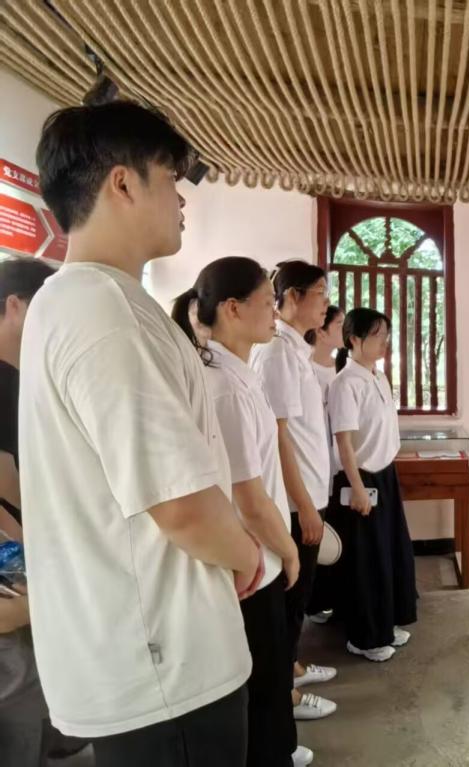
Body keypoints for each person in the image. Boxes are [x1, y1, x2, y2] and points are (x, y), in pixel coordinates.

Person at [22, 101, 261, 765]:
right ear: (123, 183)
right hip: (165, 662)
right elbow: (179, 503)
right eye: (171, 178)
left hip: (144, 652)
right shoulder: (102, 309)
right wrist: (246, 555)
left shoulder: (80, 300)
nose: (182, 199)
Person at [172, 257, 314, 767]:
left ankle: (279, 749)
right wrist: (289, 550)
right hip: (252, 560)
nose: (275, 312)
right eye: (268, 302)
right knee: (262, 681)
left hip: (260, 555)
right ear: (232, 309)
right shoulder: (224, 387)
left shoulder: (238, 375)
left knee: (270, 674)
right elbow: (249, 499)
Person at [251, 261, 338, 719]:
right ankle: (285, 695)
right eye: (320, 293)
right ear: (292, 298)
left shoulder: (293, 350)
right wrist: (304, 505)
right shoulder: (277, 354)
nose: (326, 303)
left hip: (307, 495)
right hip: (292, 501)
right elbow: (278, 435)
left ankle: (293, 668)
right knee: (289, 599)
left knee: (298, 598)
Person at [326, 308, 417, 662]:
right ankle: (364, 638)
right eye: (377, 336)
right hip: (361, 478)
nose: (384, 343)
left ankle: (385, 624)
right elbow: (344, 443)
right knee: (366, 562)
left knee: (389, 553)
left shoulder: (379, 377)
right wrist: (358, 488)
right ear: (354, 340)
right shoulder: (345, 384)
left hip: (385, 475)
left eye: (385, 336)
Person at [0, 257, 54, 765]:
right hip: (11, 568)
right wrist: (26, 572)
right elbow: (5, 493)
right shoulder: (3, 379)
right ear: (14, 306)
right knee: (16, 687)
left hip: (22, 561)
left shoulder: (21, 377)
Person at [305, 305, 343, 625]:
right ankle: (315, 603)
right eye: (339, 324)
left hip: (340, 463)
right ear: (321, 330)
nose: (345, 329)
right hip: (314, 463)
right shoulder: (305, 368)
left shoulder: (343, 366)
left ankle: (334, 598)